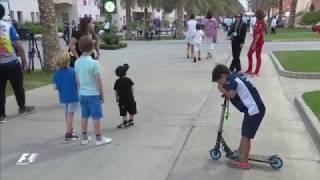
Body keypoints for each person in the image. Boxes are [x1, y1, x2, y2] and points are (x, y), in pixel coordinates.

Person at [212, 64, 266, 169]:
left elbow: (231, 95)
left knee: (246, 136)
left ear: (223, 76)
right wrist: (225, 91)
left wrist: (221, 89)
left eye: (219, 81)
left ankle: (244, 162)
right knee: (245, 132)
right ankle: (240, 152)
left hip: (253, 110)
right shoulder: (234, 75)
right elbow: (236, 92)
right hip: (255, 108)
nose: (220, 84)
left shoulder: (231, 80)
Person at [0, 4, 35, 123]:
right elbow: (18, 44)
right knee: (18, 87)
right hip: (11, 62)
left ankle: (1, 115)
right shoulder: (8, 26)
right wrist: (24, 60)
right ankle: (22, 107)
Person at [74, 36, 112, 146]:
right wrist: (101, 94)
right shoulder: (94, 63)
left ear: (79, 48)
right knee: (96, 116)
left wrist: (82, 89)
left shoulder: (77, 62)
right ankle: (99, 139)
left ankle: (85, 137)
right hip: (93, 94)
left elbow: (77, 80)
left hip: (82, 93)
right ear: (92, 49)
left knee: (84, 116)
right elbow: (98, 81)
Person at [52, 50, 79, 142]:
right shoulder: (73, 71)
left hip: (63, 97)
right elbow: (77, 83)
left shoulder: (56, 73)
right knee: (71, 114)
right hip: (73, 96)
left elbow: (55, 87)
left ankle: (69, 129)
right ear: (68, 61)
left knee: (67, 113)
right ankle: (68, 134)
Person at [114, 64, 137, 128]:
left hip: (122, 99)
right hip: (130, 98)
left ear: (117, 74)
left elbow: (116, 91)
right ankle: (131, 120)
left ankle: (125, 122)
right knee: (131, 109)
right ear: (125, 73)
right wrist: (132, 95)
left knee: (123, 111)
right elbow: (131, 88)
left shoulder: (117, 82)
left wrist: (117, 98)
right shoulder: (129, 80)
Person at [245, 10, 266, 76]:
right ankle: (250, 70)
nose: (255, 14)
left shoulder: (261, 22)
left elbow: (259, 34)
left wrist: (254, 43)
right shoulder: (258, 21)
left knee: (256, 55)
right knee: (250, 54)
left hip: (258, 42)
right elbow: (261, 32)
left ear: (259, 14)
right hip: (256, 40)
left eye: (256, 13)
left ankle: (256, 72)